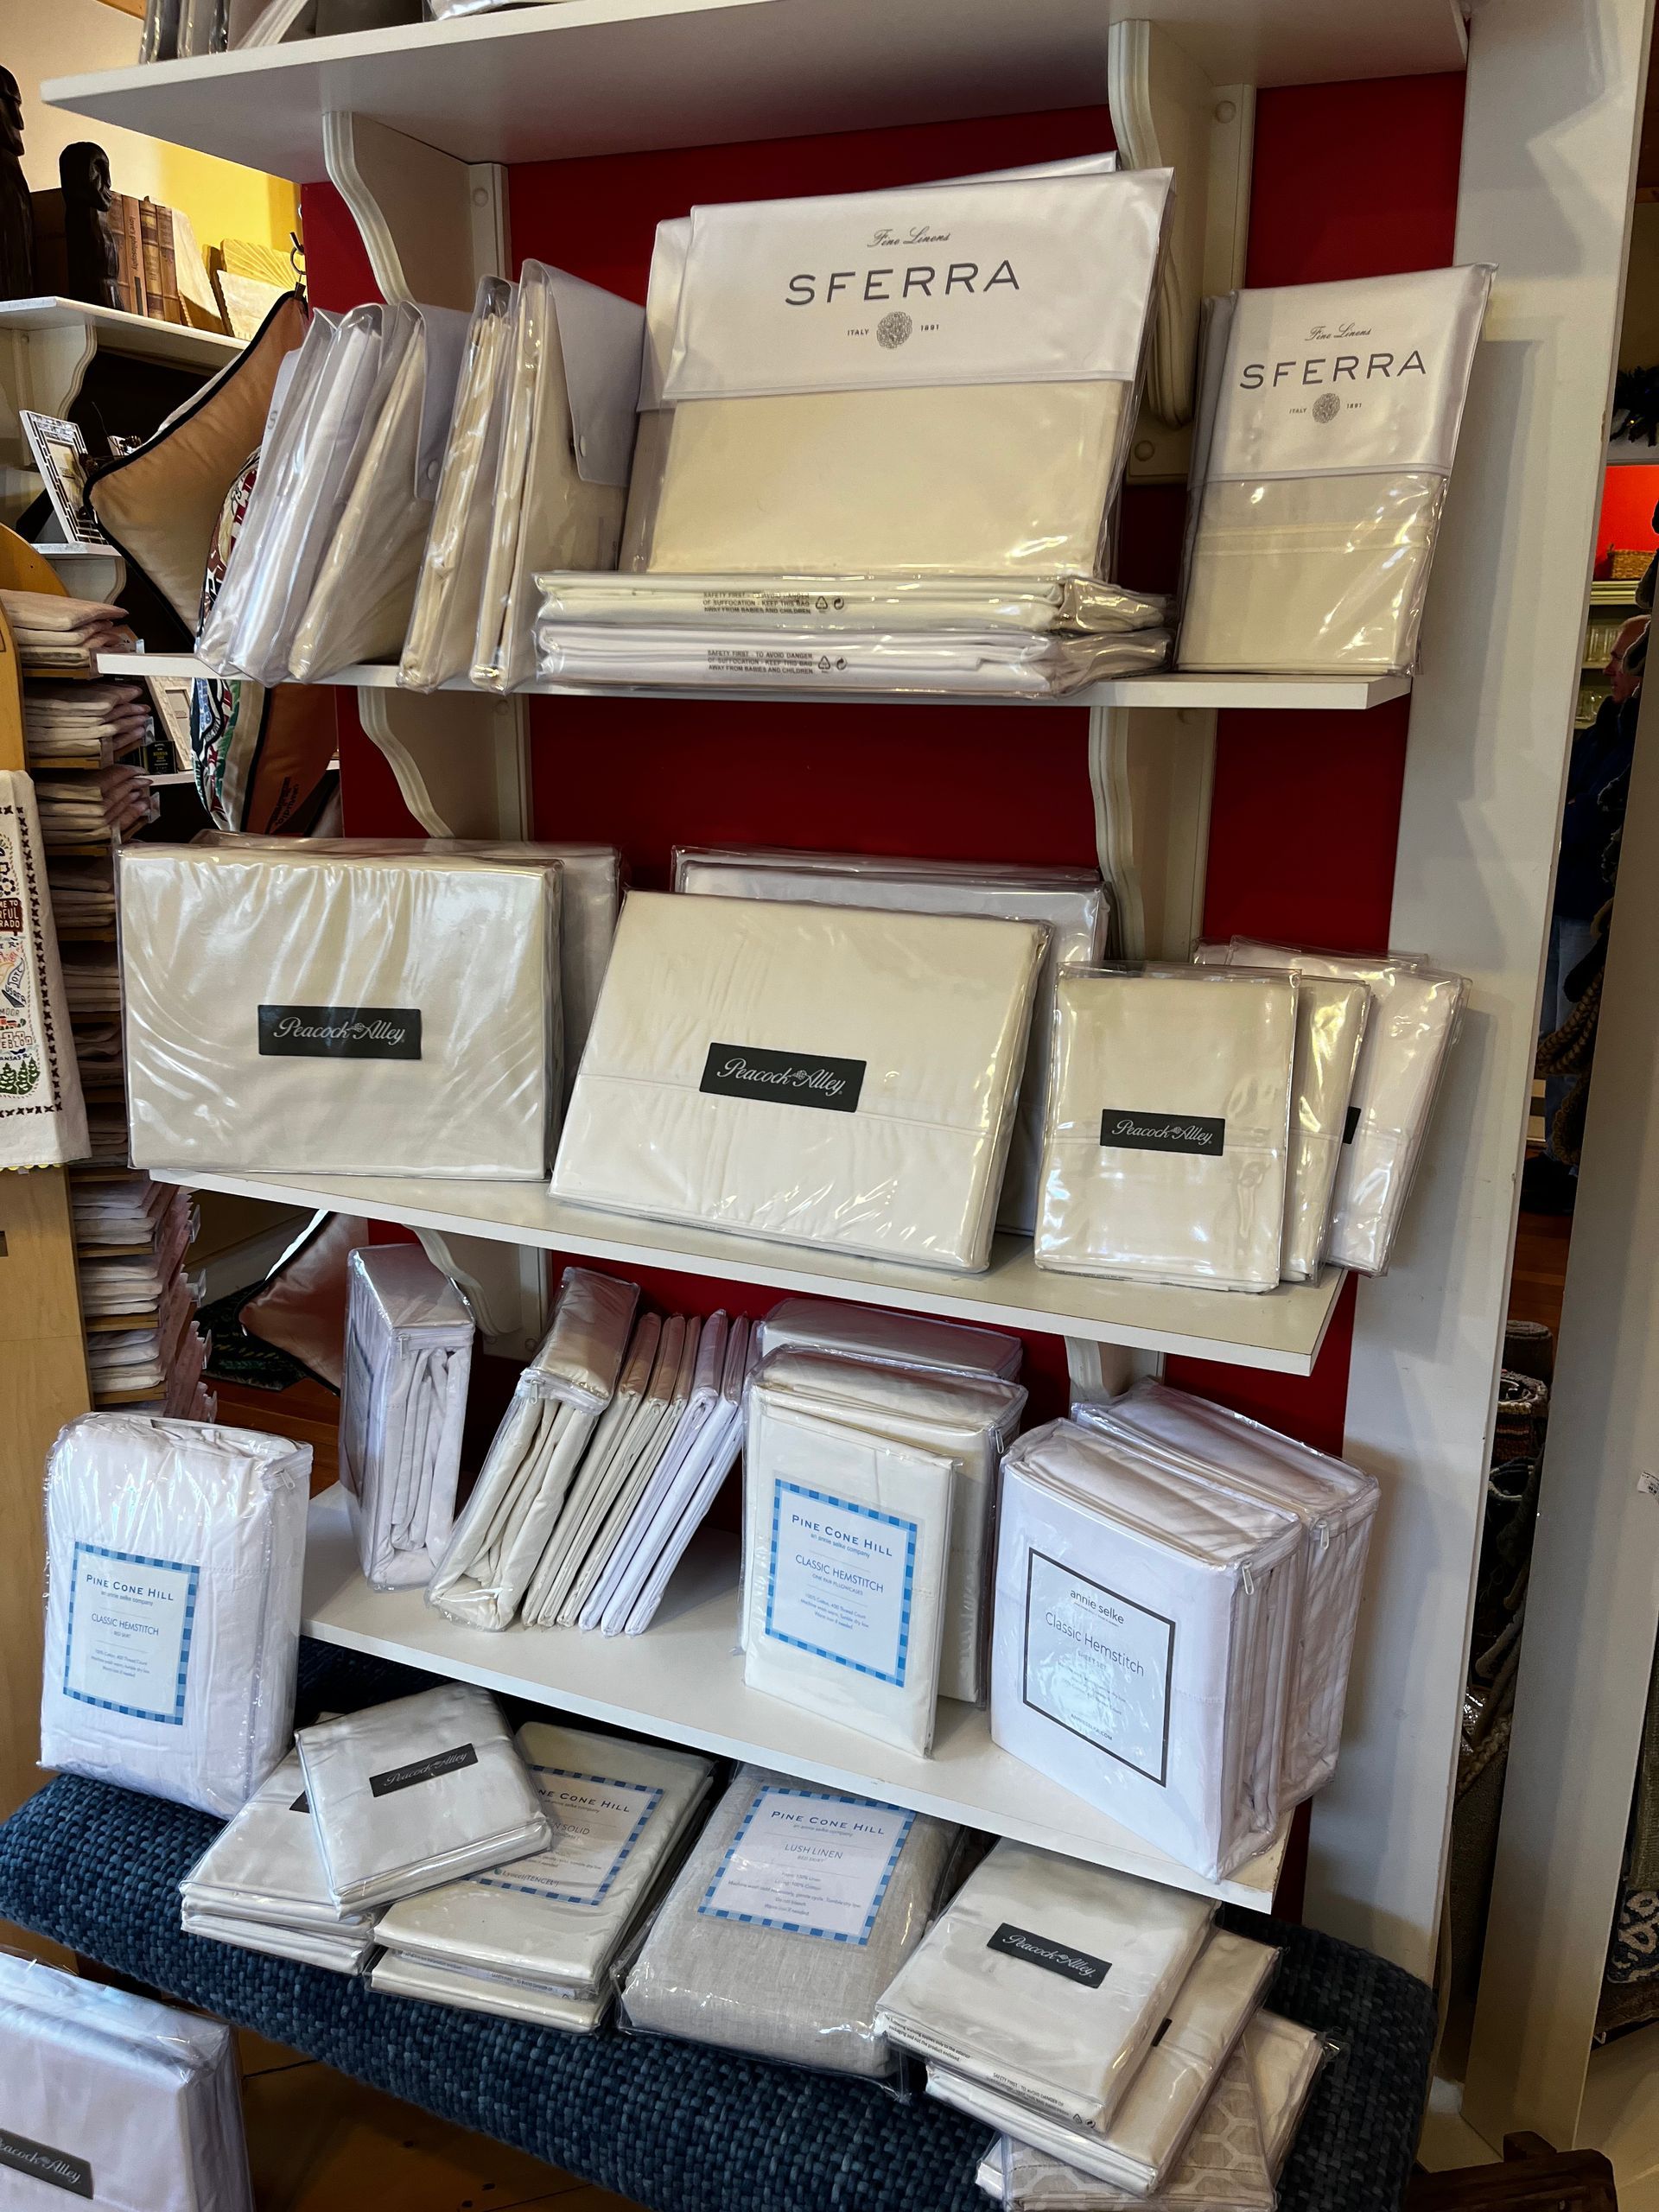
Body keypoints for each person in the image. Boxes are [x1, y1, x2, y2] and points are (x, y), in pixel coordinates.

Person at [1523, 612, 1646, 1211]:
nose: (1608, 666)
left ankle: (1574, 1169)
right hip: (1559, 901)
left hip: (1589, 911)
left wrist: (1561, 814)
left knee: (1577, 1040)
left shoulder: (1633, 741)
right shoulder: (1605, 729)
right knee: (1552, 1036)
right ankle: (1555, 1156)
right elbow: (1551, 794)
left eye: (1621, 657)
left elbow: (1585, 816)